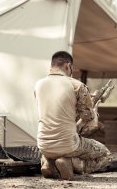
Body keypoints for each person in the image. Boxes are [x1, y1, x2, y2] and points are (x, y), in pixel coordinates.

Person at [34, 51, 112, 180]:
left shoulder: (38, 84)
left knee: (59, 147)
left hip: (43, 144)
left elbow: (57, 111)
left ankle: (49, 163)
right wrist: (93, 106)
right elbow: (88, 119)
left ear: (51, 66)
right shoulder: (77, 85)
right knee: (106, 155)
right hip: (67, 144)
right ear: (67, 66)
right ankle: (73, 164)